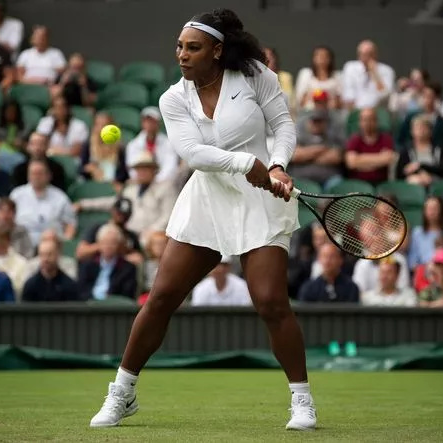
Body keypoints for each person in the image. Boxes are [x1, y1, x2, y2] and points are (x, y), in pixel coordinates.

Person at [89, 9, 316, 431]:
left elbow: (283, 125)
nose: (182, 55)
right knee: (161, 297)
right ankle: (121, 393)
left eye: (192, 48)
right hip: (207, 200)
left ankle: (302, 401)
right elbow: (193, 154)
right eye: (179, 47)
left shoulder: (254, 75)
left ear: (217, 50)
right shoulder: (173, 98)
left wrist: (279, 164)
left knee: (270, 301)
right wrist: (246, 161)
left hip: (261, 200)